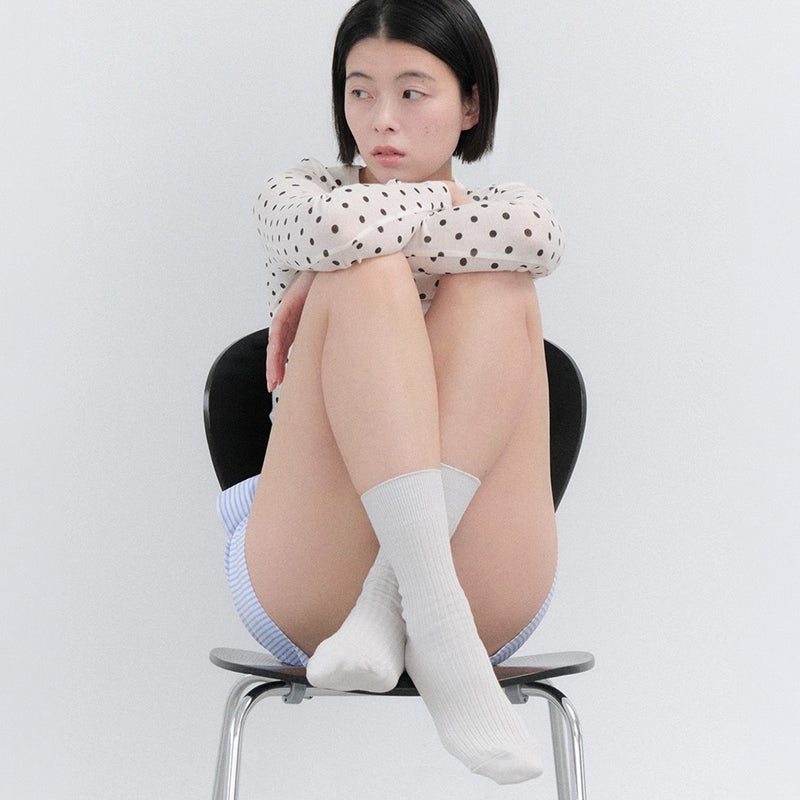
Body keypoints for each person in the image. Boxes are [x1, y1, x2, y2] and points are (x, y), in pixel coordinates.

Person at [217, 0, 564, 785]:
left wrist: (344, 255)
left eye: (412, 92)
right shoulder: (299, 194)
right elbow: (340, 231)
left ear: (470, 104)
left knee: (499, 286)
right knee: (363, 273)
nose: (381, 120)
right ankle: (434, 623)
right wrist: (442, 203)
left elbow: (536, 235)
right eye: (359, 91)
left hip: (485, 584)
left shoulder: (507, 213)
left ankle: (404, 609)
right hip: (312, 575)